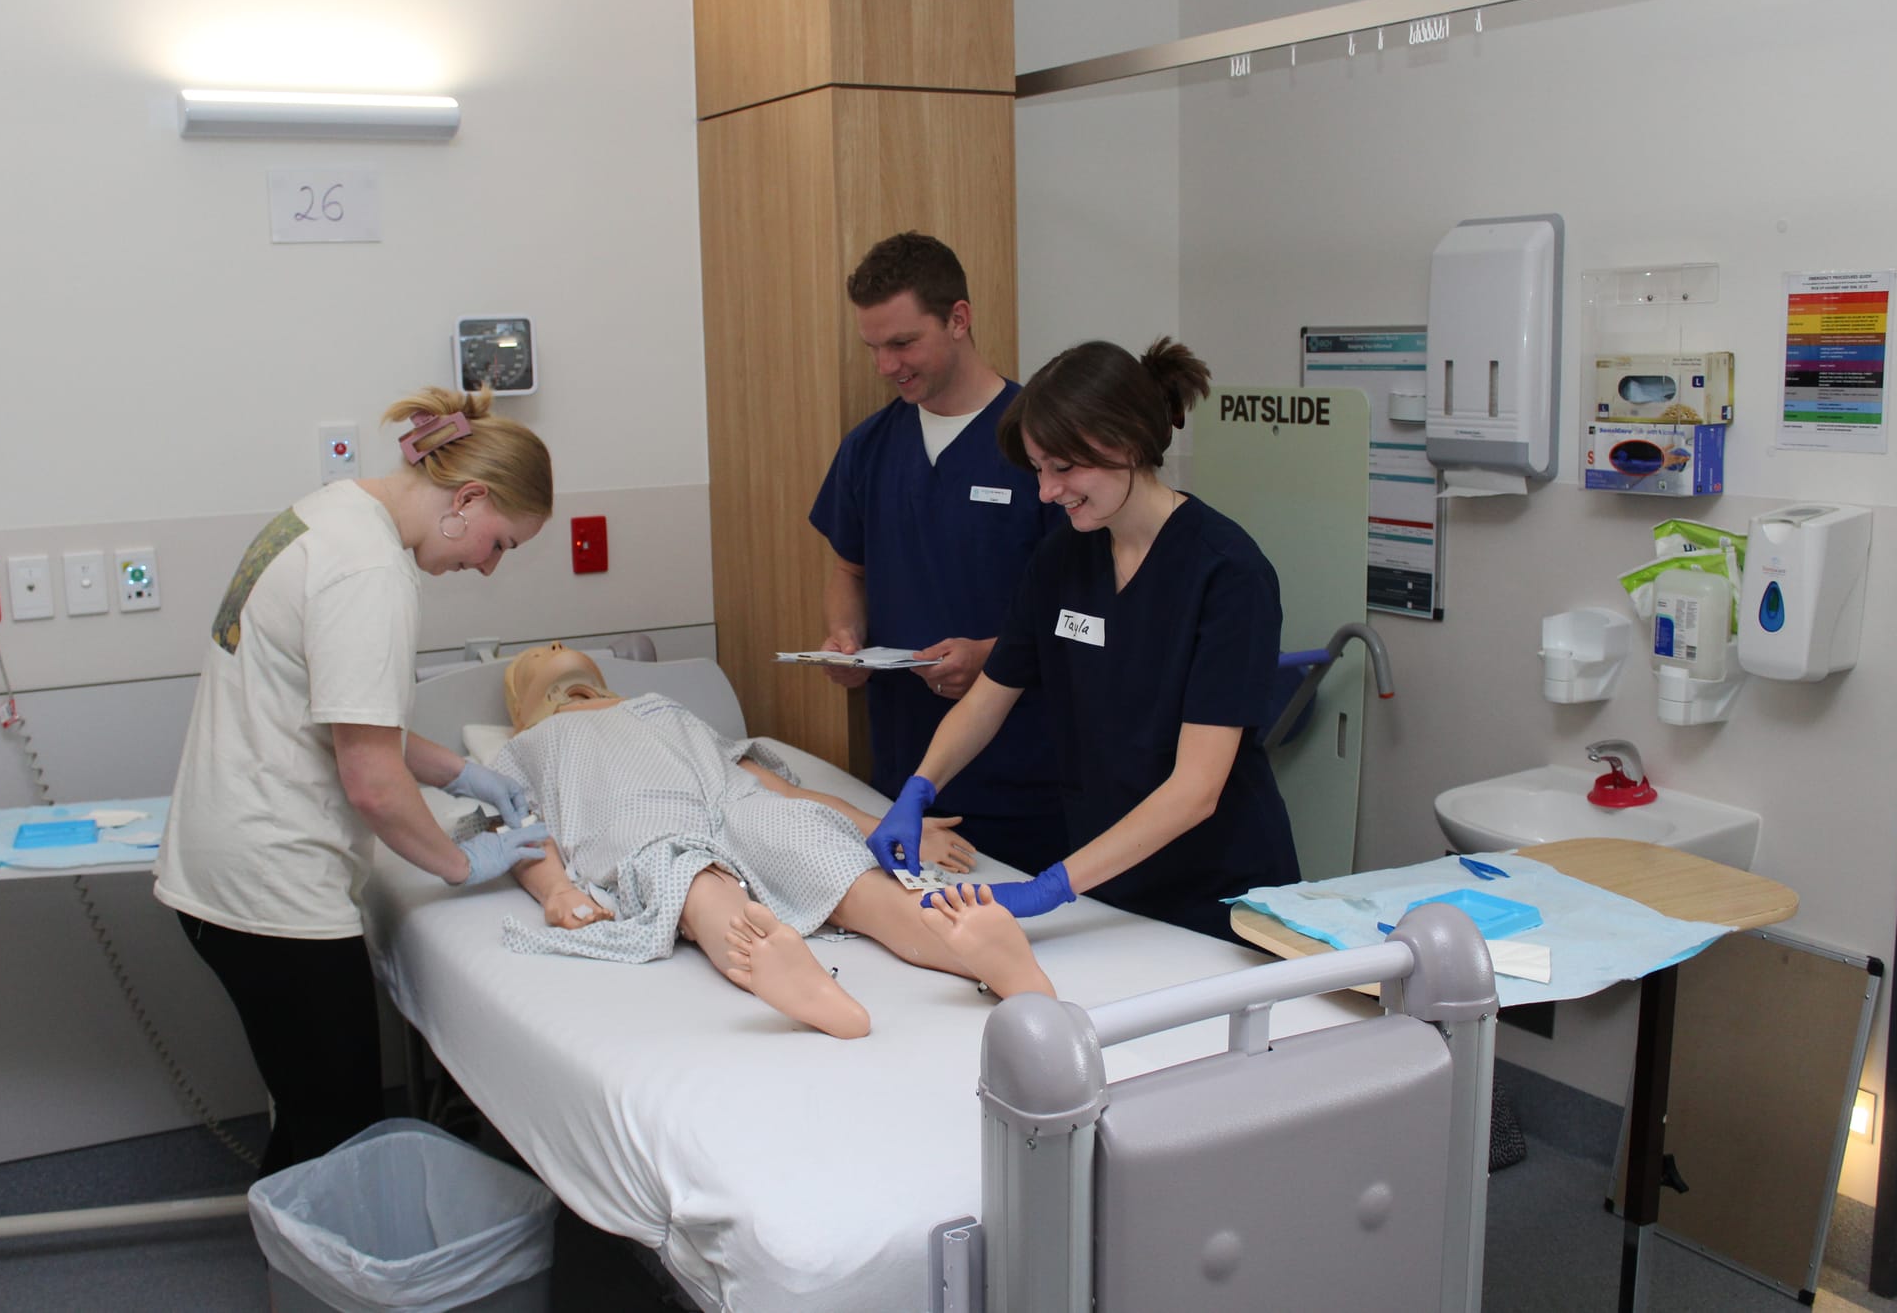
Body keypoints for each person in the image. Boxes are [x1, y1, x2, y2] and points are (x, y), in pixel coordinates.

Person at [154, 386, 556, 1173]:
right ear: (468, 498)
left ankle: (294, 1239)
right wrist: (459, 861)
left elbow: (347, 715)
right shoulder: (370, 573)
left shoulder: (327, 514)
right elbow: (370, 779)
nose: (487, 565)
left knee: (310, 1114)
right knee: (341, 1139)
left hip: (223, 868)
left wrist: (462, 772)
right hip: (274, 891)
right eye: (500, 542)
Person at [866, 338, 1300, 943]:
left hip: (1217, 892)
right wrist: (920, 787)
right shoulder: (1063, 558)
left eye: (1063, 468)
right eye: (1038, 469)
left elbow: (1196, 790)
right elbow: (989, 698)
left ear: (1126, 444)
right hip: (1109, 878)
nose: (1047, 491)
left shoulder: (1226, 573)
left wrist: (1050, 887)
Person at [489, 643, 1055, 1039]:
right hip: (640, 815)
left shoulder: (660, 707)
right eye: (537, 660)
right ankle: (788, 966)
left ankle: (965, 945)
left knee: (824, 853)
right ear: (522, 709)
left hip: (730, 798)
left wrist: (886, 828)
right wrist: (557, 890)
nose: (556, 651)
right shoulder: (523, 748)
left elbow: (779, 788)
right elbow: (521, 830)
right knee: (688, 873)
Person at [808, 232, 1067, 873]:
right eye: (873, 347)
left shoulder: (1040, 446)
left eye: (902, 343)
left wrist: (991, 657)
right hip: (904, 777)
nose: (885, 365)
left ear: (958, 318)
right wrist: (846, 639)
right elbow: (848, 569)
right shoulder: (869, 448)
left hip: (1026, 778)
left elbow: (1082, 612)